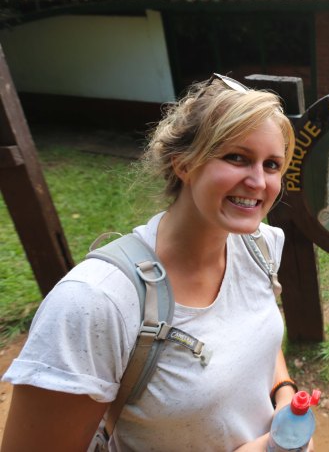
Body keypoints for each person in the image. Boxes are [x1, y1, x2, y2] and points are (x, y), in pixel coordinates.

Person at [2, 74, 309, 451]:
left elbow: (250, 332)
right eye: (237, 158)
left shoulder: (259, 246)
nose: (259, 182)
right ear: (183, 164)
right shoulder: (94, 303)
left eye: (272, 165)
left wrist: (283, 395)